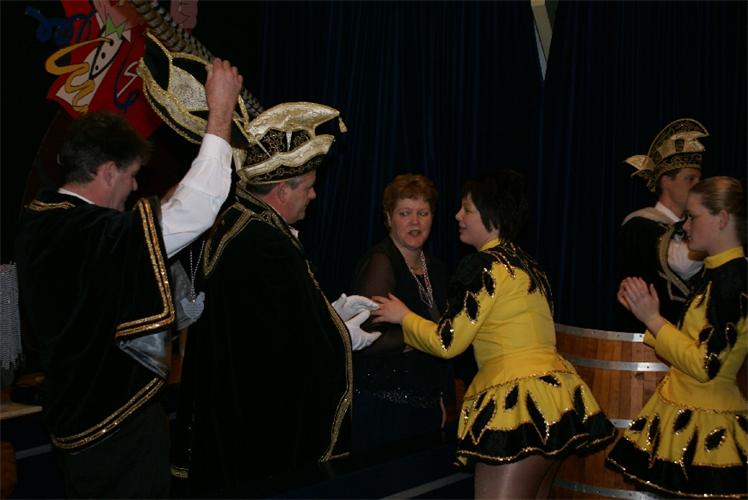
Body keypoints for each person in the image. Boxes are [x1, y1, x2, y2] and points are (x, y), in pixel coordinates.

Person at [14, 59, 243, 498]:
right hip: (115, 432)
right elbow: (193, 212)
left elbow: (144, 230)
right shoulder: (86, 234)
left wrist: (166, 207)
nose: (135, 189)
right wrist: (220, 114)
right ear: (107, 172)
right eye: (132, 176)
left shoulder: (48, 221)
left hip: (80, 427)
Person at [174, 100, 380, 497]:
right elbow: (283, 344)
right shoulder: (264, 242)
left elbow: (274, 318)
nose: (314, 195)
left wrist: (328, 314)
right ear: (282, 189)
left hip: (228, 409)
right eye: (308, 186)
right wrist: (339, 336)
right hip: (253, 424)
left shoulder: (241, 220)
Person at [372, 169, 617, 498]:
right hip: (557, 401)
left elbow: (447, 343)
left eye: (467, 209)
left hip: (517, 406)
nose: (457, 216)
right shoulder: (528, 265)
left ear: (491, 214)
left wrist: (403, 317)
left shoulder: (484, 265)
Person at [608, 176, 747, 498]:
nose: (684, 226)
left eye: (692, 216)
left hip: (708, 430)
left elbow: (704, 364)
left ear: (722, 219)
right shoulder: (718, 273)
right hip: (690, 415)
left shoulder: (732, 280)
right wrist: (650, 315)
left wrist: (653, 319)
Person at [350, 174, 453, 453]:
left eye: (423, 213)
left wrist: (442, 400)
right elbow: (366, 340)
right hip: (384, 407)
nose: (415, 222)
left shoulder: (436, 268)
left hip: (426, 404)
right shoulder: (381, 263)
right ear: (388, 218)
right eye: (405, 213)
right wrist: (419, 336)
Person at [617, 118, 709, 330]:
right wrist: (719, 235)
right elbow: (682, 264)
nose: (698, 186)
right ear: (666, 181)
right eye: (690, 179)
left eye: (699, 180)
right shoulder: (640, 225)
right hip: (646, 339)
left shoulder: (695, 227)